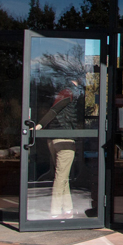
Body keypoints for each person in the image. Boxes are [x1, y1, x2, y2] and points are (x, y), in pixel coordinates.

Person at [36, 78, 84, 218]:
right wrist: (39, 126)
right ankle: (56, 211)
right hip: (65, 140)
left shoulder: (62, 92)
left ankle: (68, 208)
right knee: (60, 177)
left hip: (54, 139)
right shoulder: (69, 92)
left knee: (63, 175)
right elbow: (54, 111)